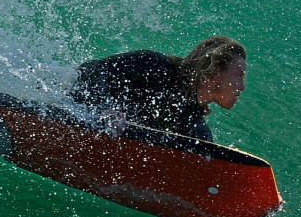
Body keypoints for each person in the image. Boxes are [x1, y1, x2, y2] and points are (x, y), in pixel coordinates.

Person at [68, 36, 247, 141]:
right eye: (239, 74)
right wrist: (102, 107)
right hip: (62, 103)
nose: (242, 86)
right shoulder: (155, 65)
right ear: (215, 72)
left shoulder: (195, 130)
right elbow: (90, 70)